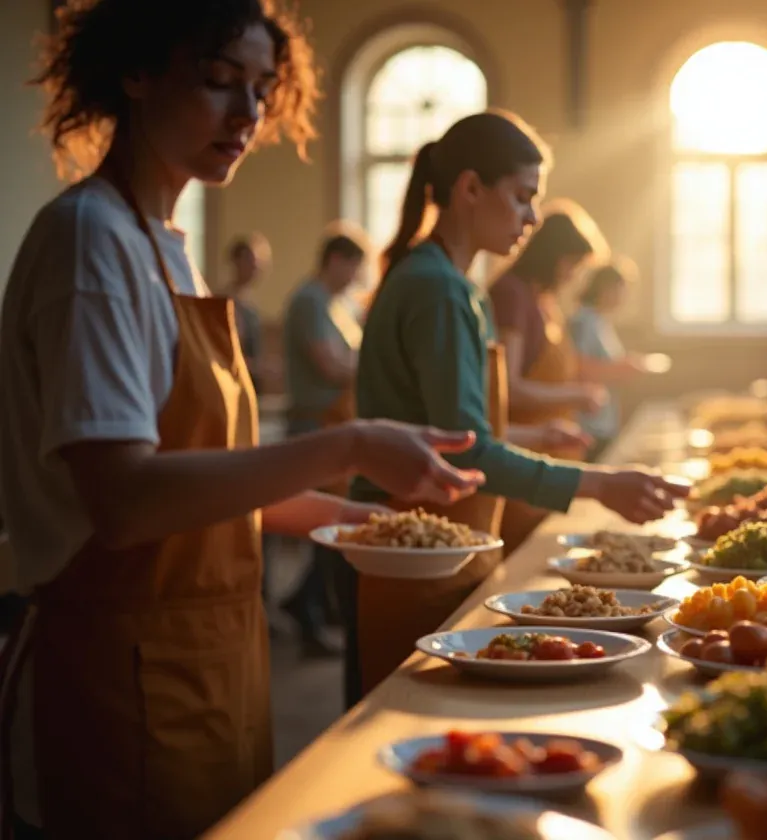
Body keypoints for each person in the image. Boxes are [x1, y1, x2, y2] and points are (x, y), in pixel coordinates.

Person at [0, 3, 486, 837]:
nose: (247, 114)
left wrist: (352, 521)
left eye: (262, 90)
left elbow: (206, 481)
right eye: (220, 83)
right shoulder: (92, 243)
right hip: (118, 670)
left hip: (212, 653)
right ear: (137, 73)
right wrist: (350, 444)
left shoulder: (165, 244)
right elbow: (125, 500)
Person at [350, 109, 691, 707]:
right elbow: (467, 448)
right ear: (470, 189)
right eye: (522, 197)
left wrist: (538, 432)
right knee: (404, 713)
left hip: (444, 538)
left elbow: (462, 422)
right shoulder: (438, 287)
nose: (532, 217)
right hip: (421, 548)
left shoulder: (445, 281)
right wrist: (599, 484)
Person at [489, 201, 610, 549]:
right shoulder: (511, 295)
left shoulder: (543, 300)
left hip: (554, 450)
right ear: (556, 257)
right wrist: (576, 396)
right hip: (526, 455)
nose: (572, 275)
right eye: (572, 264)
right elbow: (508, 387)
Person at [281, 226, 368, 657]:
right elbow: (330, 366)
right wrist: (376, 367)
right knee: (322, 526)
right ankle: (306, 610)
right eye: (354, 266)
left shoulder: (338, 304)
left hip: (335, 423)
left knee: (333, 527)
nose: (356, 277)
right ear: (336, 260)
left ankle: (308, 603)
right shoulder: (310, 300)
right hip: (314, 424)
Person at [569, 257, 662, 461]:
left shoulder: (600, 320)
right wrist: (624, 369)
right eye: (621, 290)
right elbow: (579, 368)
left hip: (603, 418)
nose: (624, 297)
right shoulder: (584, 320)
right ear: (605, 288)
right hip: (588, 421)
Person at [226, 232, 271, 392]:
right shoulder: (228, 302)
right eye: (250, 261)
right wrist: (258, 367)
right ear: (237, 262)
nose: (255, 267)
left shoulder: (250, 303)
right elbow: (228, 352)